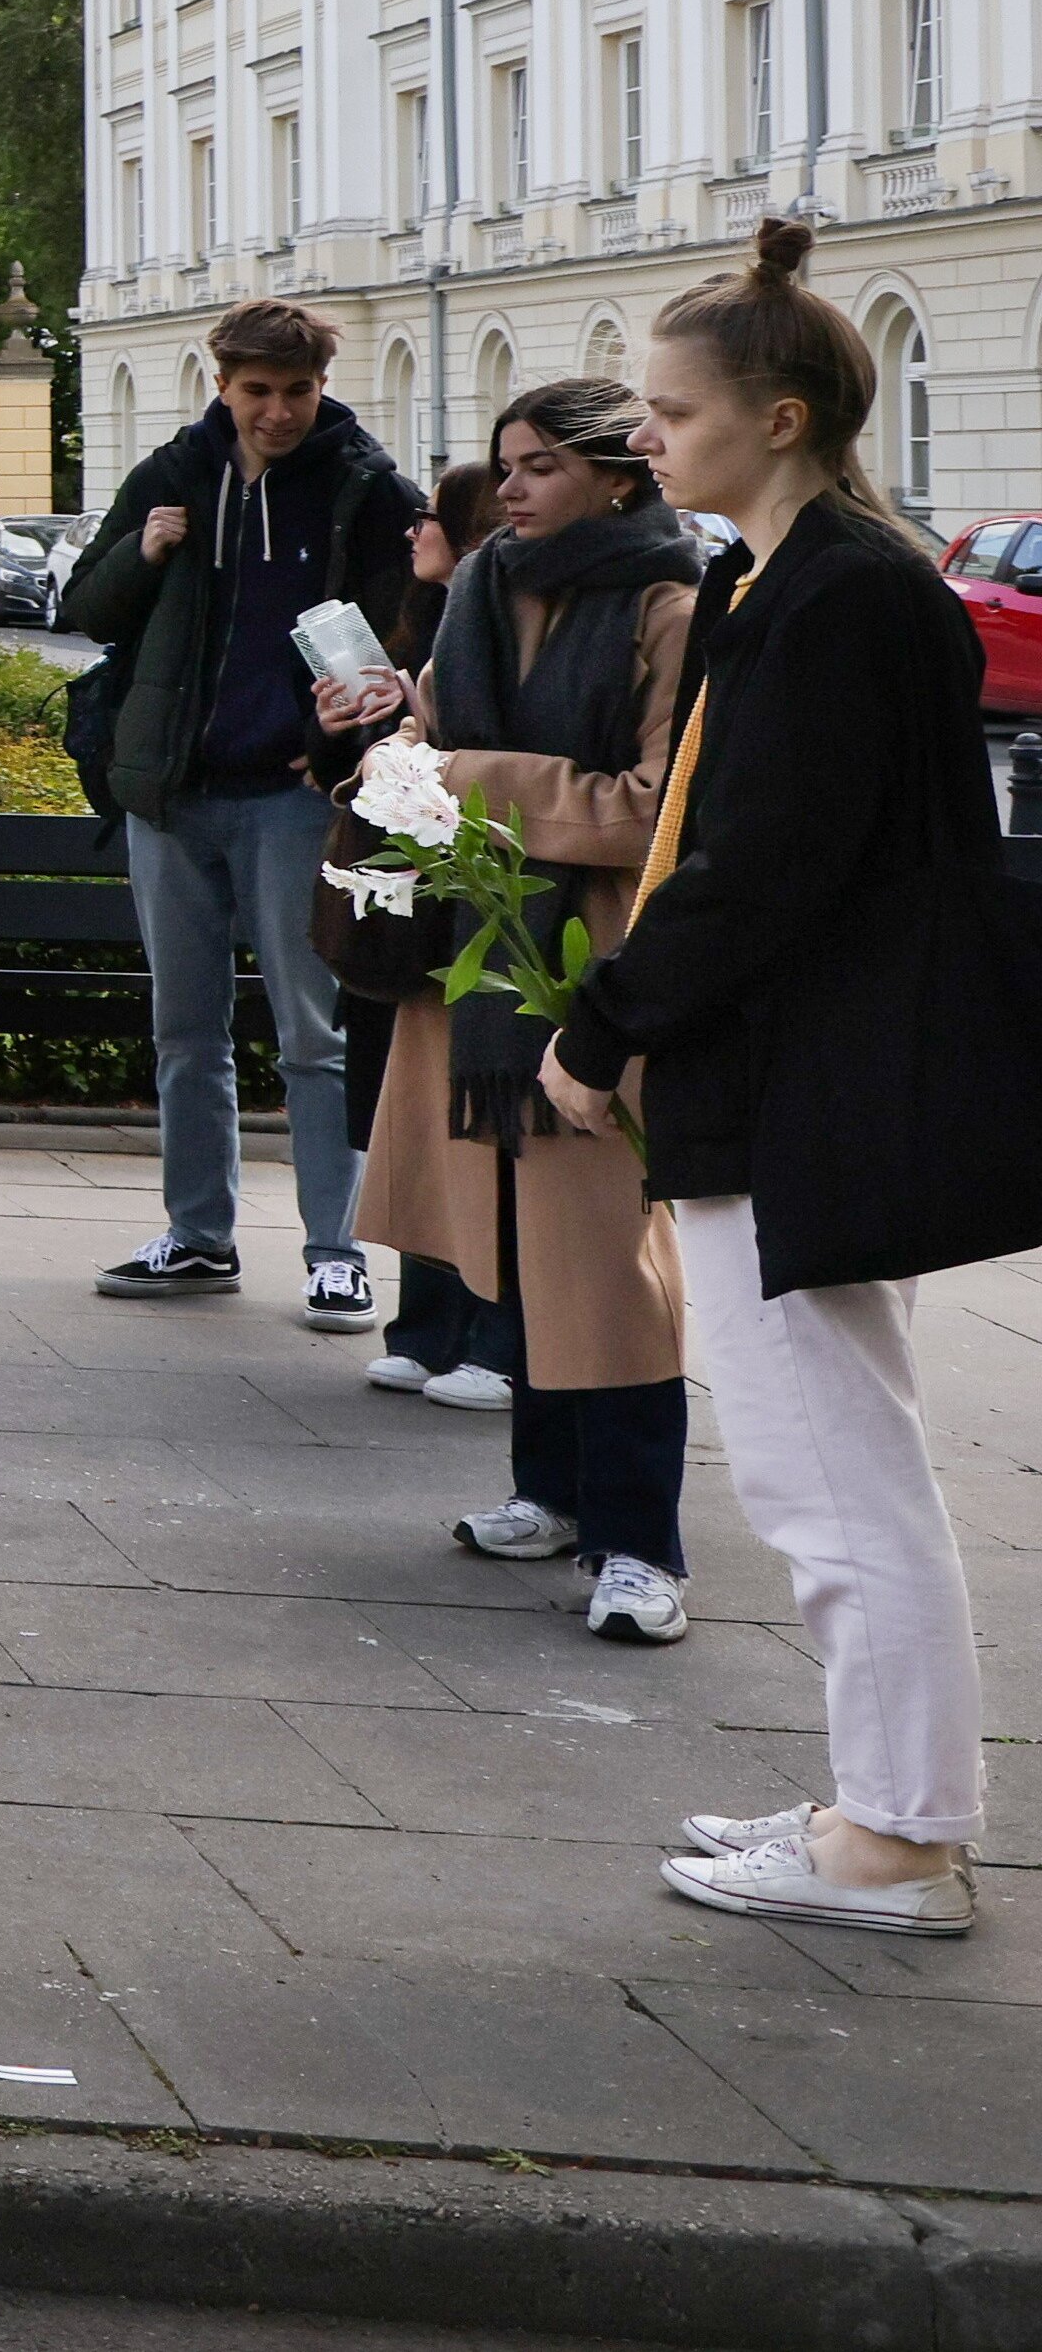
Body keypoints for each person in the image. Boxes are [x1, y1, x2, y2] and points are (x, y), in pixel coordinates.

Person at [543, 223, 1029, 1936]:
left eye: (670, 410)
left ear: (778, 410)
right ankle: (878, 1807)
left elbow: (755, 865)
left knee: (828, 1478)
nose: (646, 437)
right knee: (827, 1464)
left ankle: (891, 1838)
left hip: (803, 1084)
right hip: (795, 1075)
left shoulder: (833, 593)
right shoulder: (806, 579)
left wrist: (599, 1021)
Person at [320, 383, 701, 1644]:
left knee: (607, 1265)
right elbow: (422, 741)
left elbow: (653, 803)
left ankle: (643, 1540)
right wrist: (377, 733)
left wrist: (462, 779)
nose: (514, 485)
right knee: (514, 1238)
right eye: (506, 463)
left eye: (542, 464)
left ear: (618, 476)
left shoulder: (669, 603)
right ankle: (548, 1488)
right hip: (474, 966)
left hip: (592, 966)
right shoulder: (481, 589)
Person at [59, 298, 425, 1326]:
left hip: (293, 799)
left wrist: (347, 750)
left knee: (314, 1034)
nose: (277, 412)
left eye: (296, 391)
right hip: (176, 795)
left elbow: (408, 632)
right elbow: (87, 608)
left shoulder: (363, 486)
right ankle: (198, 1236)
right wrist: (147, 549)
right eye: (257, 391)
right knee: (185, 1029)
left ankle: (335, 1249)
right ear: (220, 382)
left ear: (320, 385)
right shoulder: (176, 475)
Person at [354, 460, 518, 1406]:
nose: (416, 528)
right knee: (423, 1122)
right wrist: (367, 736)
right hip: (424, 909)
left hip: (490, 903)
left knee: (488, 1127)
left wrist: (419, 749)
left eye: (435, 516)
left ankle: (492, 1339)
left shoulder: (495, 622)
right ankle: (426, 1324)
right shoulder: (433, 622)